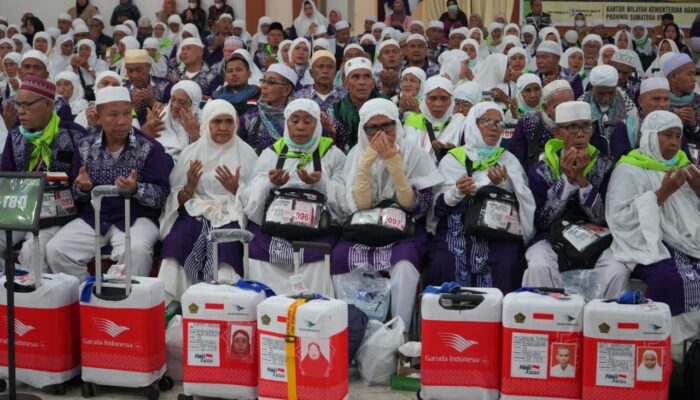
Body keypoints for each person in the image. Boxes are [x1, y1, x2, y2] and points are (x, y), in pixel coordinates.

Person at [332, 98, 442, 331]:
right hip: (364, 225)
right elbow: (359, 206)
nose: (381, 134)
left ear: (397, 125)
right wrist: (364, 166)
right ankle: (350, 328)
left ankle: (398, 331)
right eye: (373, 128)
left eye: (387, 126)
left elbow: (418, 207)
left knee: (403, 263)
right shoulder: (356, 154)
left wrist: (394, 165)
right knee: (341, 258)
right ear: (364, 129)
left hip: (404, 229)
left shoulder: (415, 154)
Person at [46, 86, 169, 281]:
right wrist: (82, 188)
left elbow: (162, 194)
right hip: (94, 217)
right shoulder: (85, 146)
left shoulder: (150, 147)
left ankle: (128, 305)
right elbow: (75, 193)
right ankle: (87, 294)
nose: (122, 121)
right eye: (113, 115)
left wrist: (136, 189)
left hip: (136, 218)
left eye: (127, 114)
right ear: (98, 116)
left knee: (136, 250)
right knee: (56, 250)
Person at [607, 109, 700, 343]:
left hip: (687, 240)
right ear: (650, 136)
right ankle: (658, 342)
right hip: (647, 242)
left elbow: (692, 215)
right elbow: (619, 218)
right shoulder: (628, 168)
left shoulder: (684, 165)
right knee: (668, 279)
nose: (673, 143)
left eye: (678, 136)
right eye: (667, 135)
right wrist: (661, 194)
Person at [522, 101, 629, 298]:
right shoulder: (540, 168)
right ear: (557, 132)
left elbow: (603, 219)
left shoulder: (604, 165)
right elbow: (542, 221)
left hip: (596, 236)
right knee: (539, 266)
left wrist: (581, 181)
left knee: (617, 270)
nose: (581, 134)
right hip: (550, 238)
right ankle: (545, 322)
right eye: (572, 127)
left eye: (586, 126)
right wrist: (566, 181)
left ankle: (600, 324)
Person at [240, 99, 346, 296]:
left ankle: (312, 313)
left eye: (308, 121)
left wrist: (321, 184)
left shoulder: (332, 154)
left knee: (316, 257)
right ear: (286, 123)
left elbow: (344, 202)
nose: (300, 127)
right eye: (294, 120)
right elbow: (249, 199)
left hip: (316, 228)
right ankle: (267, 311)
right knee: (258, 252)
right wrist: (269, 183)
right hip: (275, 225)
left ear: (317, 126)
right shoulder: (271, 153)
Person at [426, 102, 535, 291]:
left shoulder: (508, 159)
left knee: (507, 262)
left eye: (500, 123)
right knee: (443, 261)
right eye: (487, 121)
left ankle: (498, 318)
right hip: (457, 225)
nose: (494, 128)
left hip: (499, 228)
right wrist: (457, 192)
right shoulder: (452, 159)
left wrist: (504, 185)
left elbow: (524, 203)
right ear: (473, 125)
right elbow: (437, 207)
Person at [158, 99, 256, 302]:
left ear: (235, 124)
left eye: (228, 122)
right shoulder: (191, 152)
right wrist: (189, 188)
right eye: (217, 121)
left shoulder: (247, 154)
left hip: (231, 211)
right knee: (176, 242)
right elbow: (175, 197)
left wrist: (235, 189)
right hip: (195, 210)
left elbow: (255, 200)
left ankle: (224, 304)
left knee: (227, 246)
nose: (223, 127)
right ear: (206, 124)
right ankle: (174, 303)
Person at [0, 77, 85, 271]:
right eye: (18, 104)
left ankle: (39, 298)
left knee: (33, 250)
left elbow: (80, 186)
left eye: (27, 105)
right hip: (20, 208)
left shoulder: (74, 135)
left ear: (48, 104)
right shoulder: (16, 136)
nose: (20, 111)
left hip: (56, 213)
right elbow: (6, 178)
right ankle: (6, 291)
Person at [508, 79, 572, 168]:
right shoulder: (528, 121)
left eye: (570, 105)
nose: (566, 111)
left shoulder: (581, 124)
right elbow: (515, 161)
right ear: (545, 107)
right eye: (558, 107)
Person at [328, 57, 387, 152]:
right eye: (355, 77)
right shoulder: (334, 111)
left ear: (372, 83)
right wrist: (331, 135)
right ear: (345, 83)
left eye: (367, 77)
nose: (362, 82)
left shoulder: (386, 107)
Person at [403, 76, 464, 164]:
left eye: (444, 98)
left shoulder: (461, 124)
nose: (438, 104)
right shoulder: (411, 121)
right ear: (424, 99)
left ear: (452, 100)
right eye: (432, 98)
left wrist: (453, 154)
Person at [610, 78, 674, 162]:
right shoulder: (624, 127)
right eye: (656, 99)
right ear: (641, 101)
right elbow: (622, 160)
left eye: (666, 99)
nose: (662, 104)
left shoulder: (674, 126)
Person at [578, 64, 637, 150]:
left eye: (611, 93)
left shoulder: (623, 99)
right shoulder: (582, 102)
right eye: (601, 93)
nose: (606, 98)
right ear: (592, 88)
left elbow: (634, 126)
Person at [238, 64, 295, 153]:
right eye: (263, 81)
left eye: (271, 82)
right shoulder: (250, 117)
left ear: (286, 90)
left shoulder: (297, 116)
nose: (263, 86)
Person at [142, 80, 202, 162]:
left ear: (193, 106)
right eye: (173, 99)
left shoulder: (202, 120)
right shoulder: (160, 115)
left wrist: (194, 135)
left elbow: (203, 155)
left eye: (182, 102)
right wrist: (147, 129)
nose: (175, 106)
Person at [123, 49, 172, 126]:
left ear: (149, 67)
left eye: (139, 70)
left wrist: (153, 103)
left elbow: (173, 118)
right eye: (130, 71)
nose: (134, 75)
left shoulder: (165, 86)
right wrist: (133, 109)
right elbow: (121, 122)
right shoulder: (123, 90)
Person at [294, 50, 346, 115]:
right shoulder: (300, 97)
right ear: (311, 73)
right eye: (320, 67)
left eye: (330, 67)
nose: (325, 71)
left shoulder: (345, 97)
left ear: (335, 73)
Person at [663, 54, 700, 145]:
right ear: (674, 77)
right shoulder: (660, 101)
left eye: (694, 74)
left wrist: (694, 124)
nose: (694, 79)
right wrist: (673, 121)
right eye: (689, 74)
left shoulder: (698, 101)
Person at [212, 51, 260, 116]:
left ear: (249, 74)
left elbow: (249, 108)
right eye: (230, 71)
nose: (234, 74)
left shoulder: (257, 95)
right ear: (225, 77)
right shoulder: (216, 96)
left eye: (239, 70)